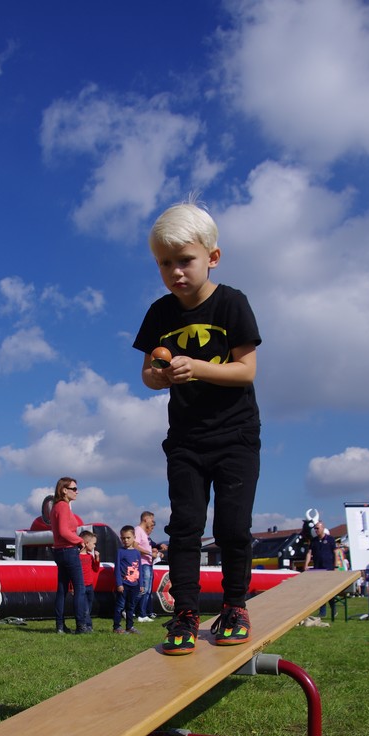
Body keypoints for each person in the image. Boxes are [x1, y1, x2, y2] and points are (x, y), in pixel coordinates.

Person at [133, 200, 261, 654]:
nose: (175, 272)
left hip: (235, 436)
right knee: (185, 527)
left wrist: (199, 368)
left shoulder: (232, 304)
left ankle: (234, 607)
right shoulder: (159, 313)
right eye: (164, 263)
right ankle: (185, 613)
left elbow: (246, 370)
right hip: (186, 440)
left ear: (213, 257)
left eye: (185, 260)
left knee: (232, 526)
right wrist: (160, 377)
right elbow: (147, 375)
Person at [50, 477, 88, 634]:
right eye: (74, 489)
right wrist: (80, 541)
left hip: (59, 551)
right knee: (79, 588)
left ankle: (60, 626)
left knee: (62, 589)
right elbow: (64, 531)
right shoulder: (63, 506)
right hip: (68, 550)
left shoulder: (55, 507)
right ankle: (81, 625)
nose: (77, 492)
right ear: (64, 490)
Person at [113, 526, 143, 634]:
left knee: (131, 606)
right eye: (123, 538)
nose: (125, 540)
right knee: (120, 606)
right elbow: (117, 569)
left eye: (128, 538)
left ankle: (130, 626)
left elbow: (139, 569)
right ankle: (117, 627)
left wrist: (141, 584)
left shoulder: (137, 553)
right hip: (124, 584)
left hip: (134, 585)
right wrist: (119, 583)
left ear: (134, 537)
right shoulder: (120, 552)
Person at [304, 519, 337, 619]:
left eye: (317, 528)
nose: (316, 530)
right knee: (320, 591)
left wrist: (335, 566)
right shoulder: (314, 541)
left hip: (329, 568)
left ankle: (333, 609)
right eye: (315, 528)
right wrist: (306, 565)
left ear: (323, 528)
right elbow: (309, 553)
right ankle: (322, 612)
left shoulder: (330, 539)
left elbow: (335, 553)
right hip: (318, 569)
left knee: (329, 590)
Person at [134, 511, 156, 622]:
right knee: (143, 589)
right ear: (145, 519)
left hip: (148, 563)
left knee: (147, 590)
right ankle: (131, 609)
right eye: (152, 520)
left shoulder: (144, 533)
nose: (152, 522)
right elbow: (135, 546)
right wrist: (149, 553)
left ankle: (142, 613)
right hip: (143, 563)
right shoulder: (138, 530)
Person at [78, 530, 101, 631]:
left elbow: (96, 569)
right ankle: (88, 626)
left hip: (89, 585)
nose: (95, 546)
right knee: (85, 608)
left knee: (89, 606)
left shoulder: (90, 556)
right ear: (86, 543)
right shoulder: (77, 557)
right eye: (94, 543)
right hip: (81, 585)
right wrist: (72, 587)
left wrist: (97, 558)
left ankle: (85, 624)